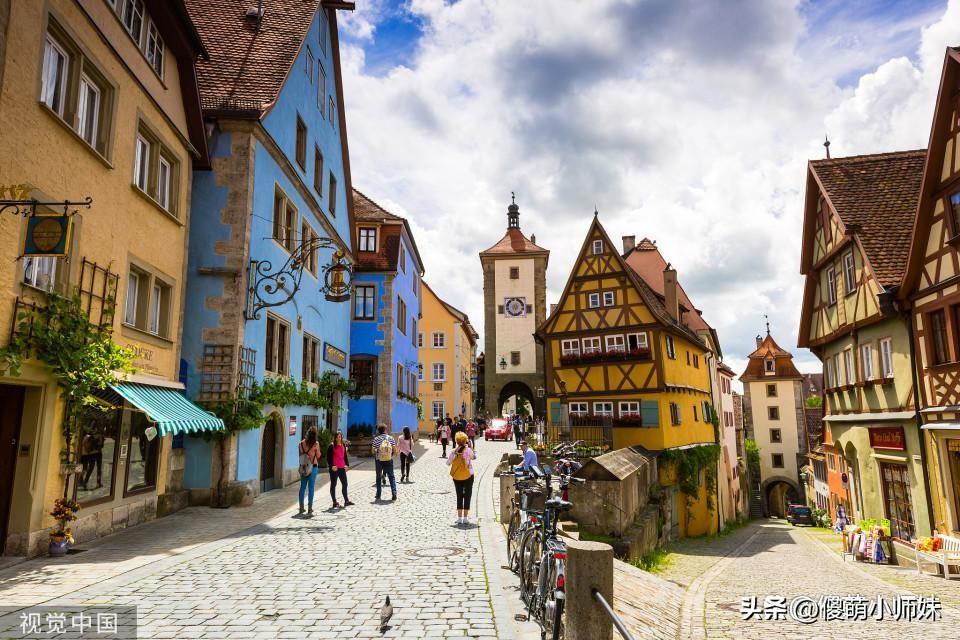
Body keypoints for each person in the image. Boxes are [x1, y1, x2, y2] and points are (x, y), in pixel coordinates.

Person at [447, 431, 475, 526]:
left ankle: (459, 518)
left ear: (456, 441)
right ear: (465, 441)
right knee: (467, 495)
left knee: (459, 495)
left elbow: (448, 463)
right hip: (469, 475)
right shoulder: (468, 450)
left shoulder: (453, 451)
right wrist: (471, 448)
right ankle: (465, 518)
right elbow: (474, 457)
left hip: (457, 476)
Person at [298, 427, 322, 515]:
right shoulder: (316, 444)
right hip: (313, 467)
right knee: (311, 488)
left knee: (302, 487)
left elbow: (300, 456)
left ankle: (301, 507)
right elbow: (318, 456)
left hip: (303, 468)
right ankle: (310, 508)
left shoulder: (301, 444)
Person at [326, 431, 353, 508]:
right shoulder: (331, 446)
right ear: (335, 438)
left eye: (340, 437)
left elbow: (345, 456)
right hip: (335, 469)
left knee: (345, 484)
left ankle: (346, 501)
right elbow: (328, 458)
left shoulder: (343, 445)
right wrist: (332, 466)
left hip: (342, 468)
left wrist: (347, 465)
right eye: (337, 437)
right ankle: (334, 502)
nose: (339, 438)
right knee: (333, 485)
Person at [371, 424, 398, 501]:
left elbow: (372, 451)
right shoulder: (391, 438)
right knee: (391, 477)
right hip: (389, 460)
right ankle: (394, 493)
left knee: (378, 477)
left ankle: (378, 494)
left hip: (379, 460)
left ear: (378, 431)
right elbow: (394, 450)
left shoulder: (376, 439)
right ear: (385, 430)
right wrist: (391, 455)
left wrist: (377, 451)